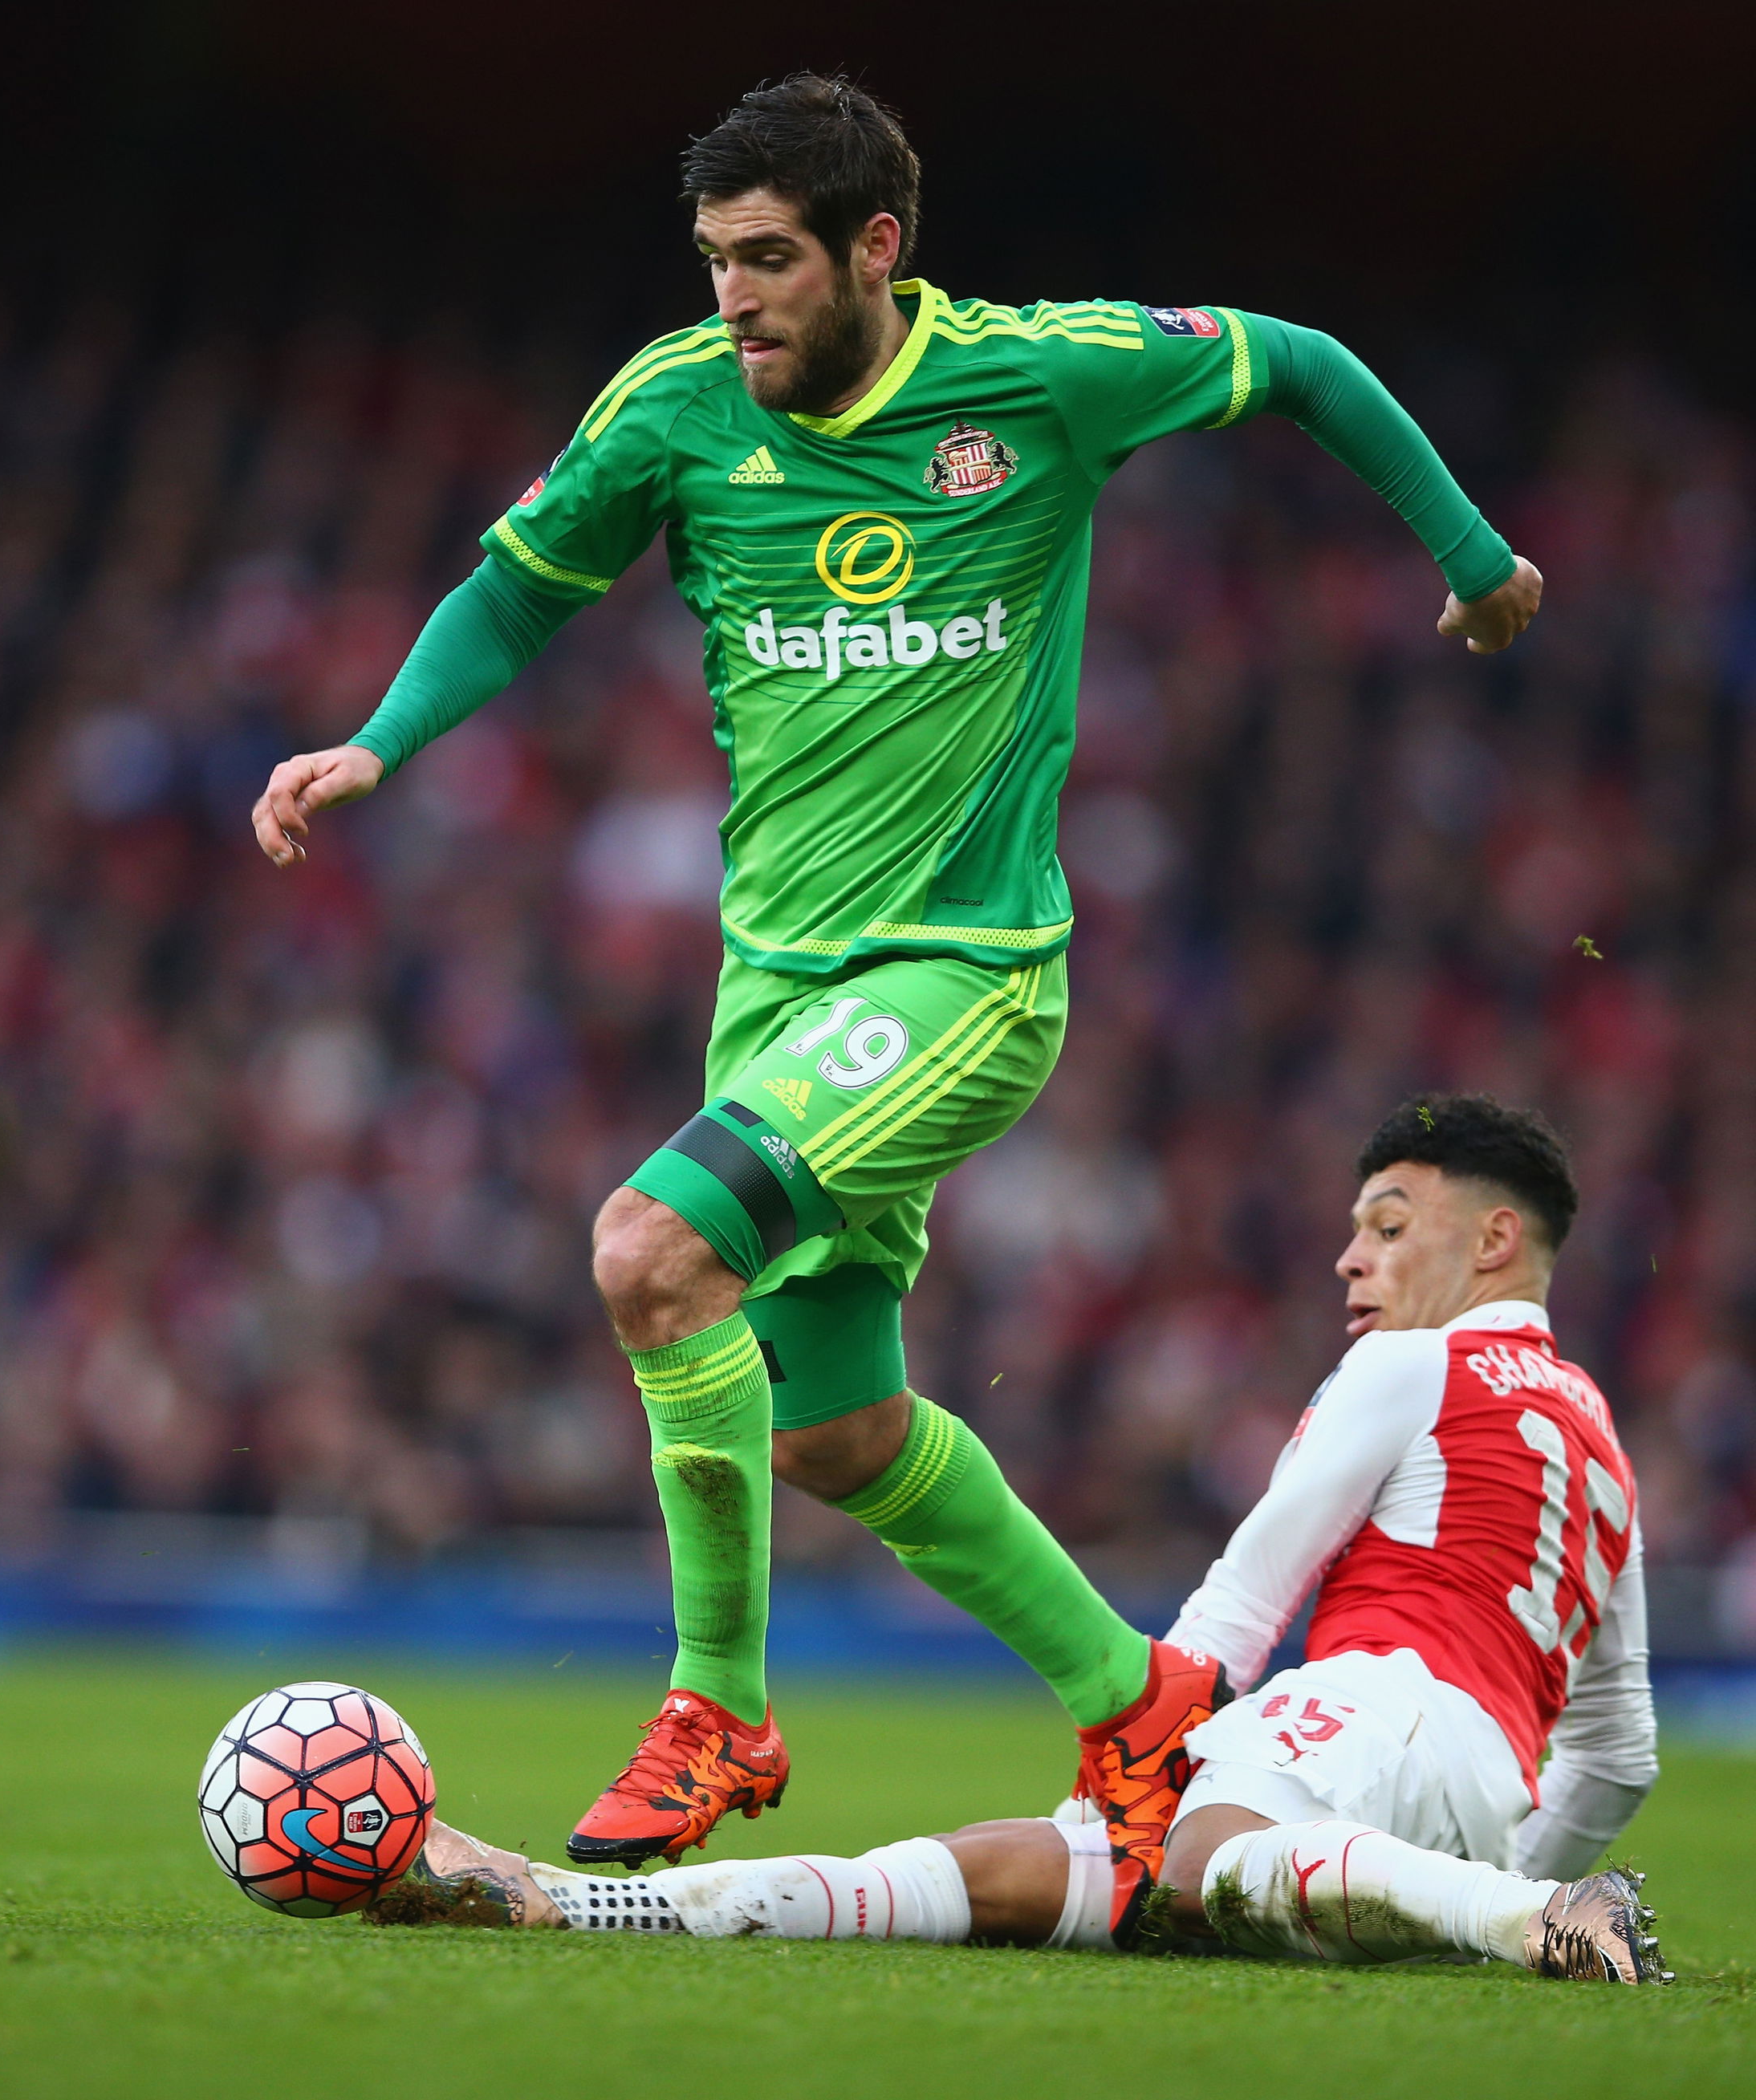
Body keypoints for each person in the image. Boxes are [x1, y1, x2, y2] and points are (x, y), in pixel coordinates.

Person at [250, 75, 1544, 1882]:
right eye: (714, 260)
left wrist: (1475, 564)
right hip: (775, 995)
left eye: (768, 260)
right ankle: (1140, 1701)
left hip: (964, 970)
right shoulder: (674, 405)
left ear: (874, 247)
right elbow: (520, 587)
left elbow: (1302, 362)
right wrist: (380, 740)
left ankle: (718, 1703)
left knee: (648, 1249)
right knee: (836, 1431)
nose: (734, 299)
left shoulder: (1037, 377)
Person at [367, 1096, 1665, 1983]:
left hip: (1372, 1710)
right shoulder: (1602, 1443)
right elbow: (1618, 1753)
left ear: (1495, 1240)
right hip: (1457, 1781)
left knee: (1193, 1856)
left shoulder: (1412, 1364)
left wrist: (1149, 1751)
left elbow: (1244, 1594)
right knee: (1005, 1877)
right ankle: (566, 1896)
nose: (1350, 1259)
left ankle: (1531, 1919)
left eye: (1387, 1226)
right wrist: (1481, 1860)